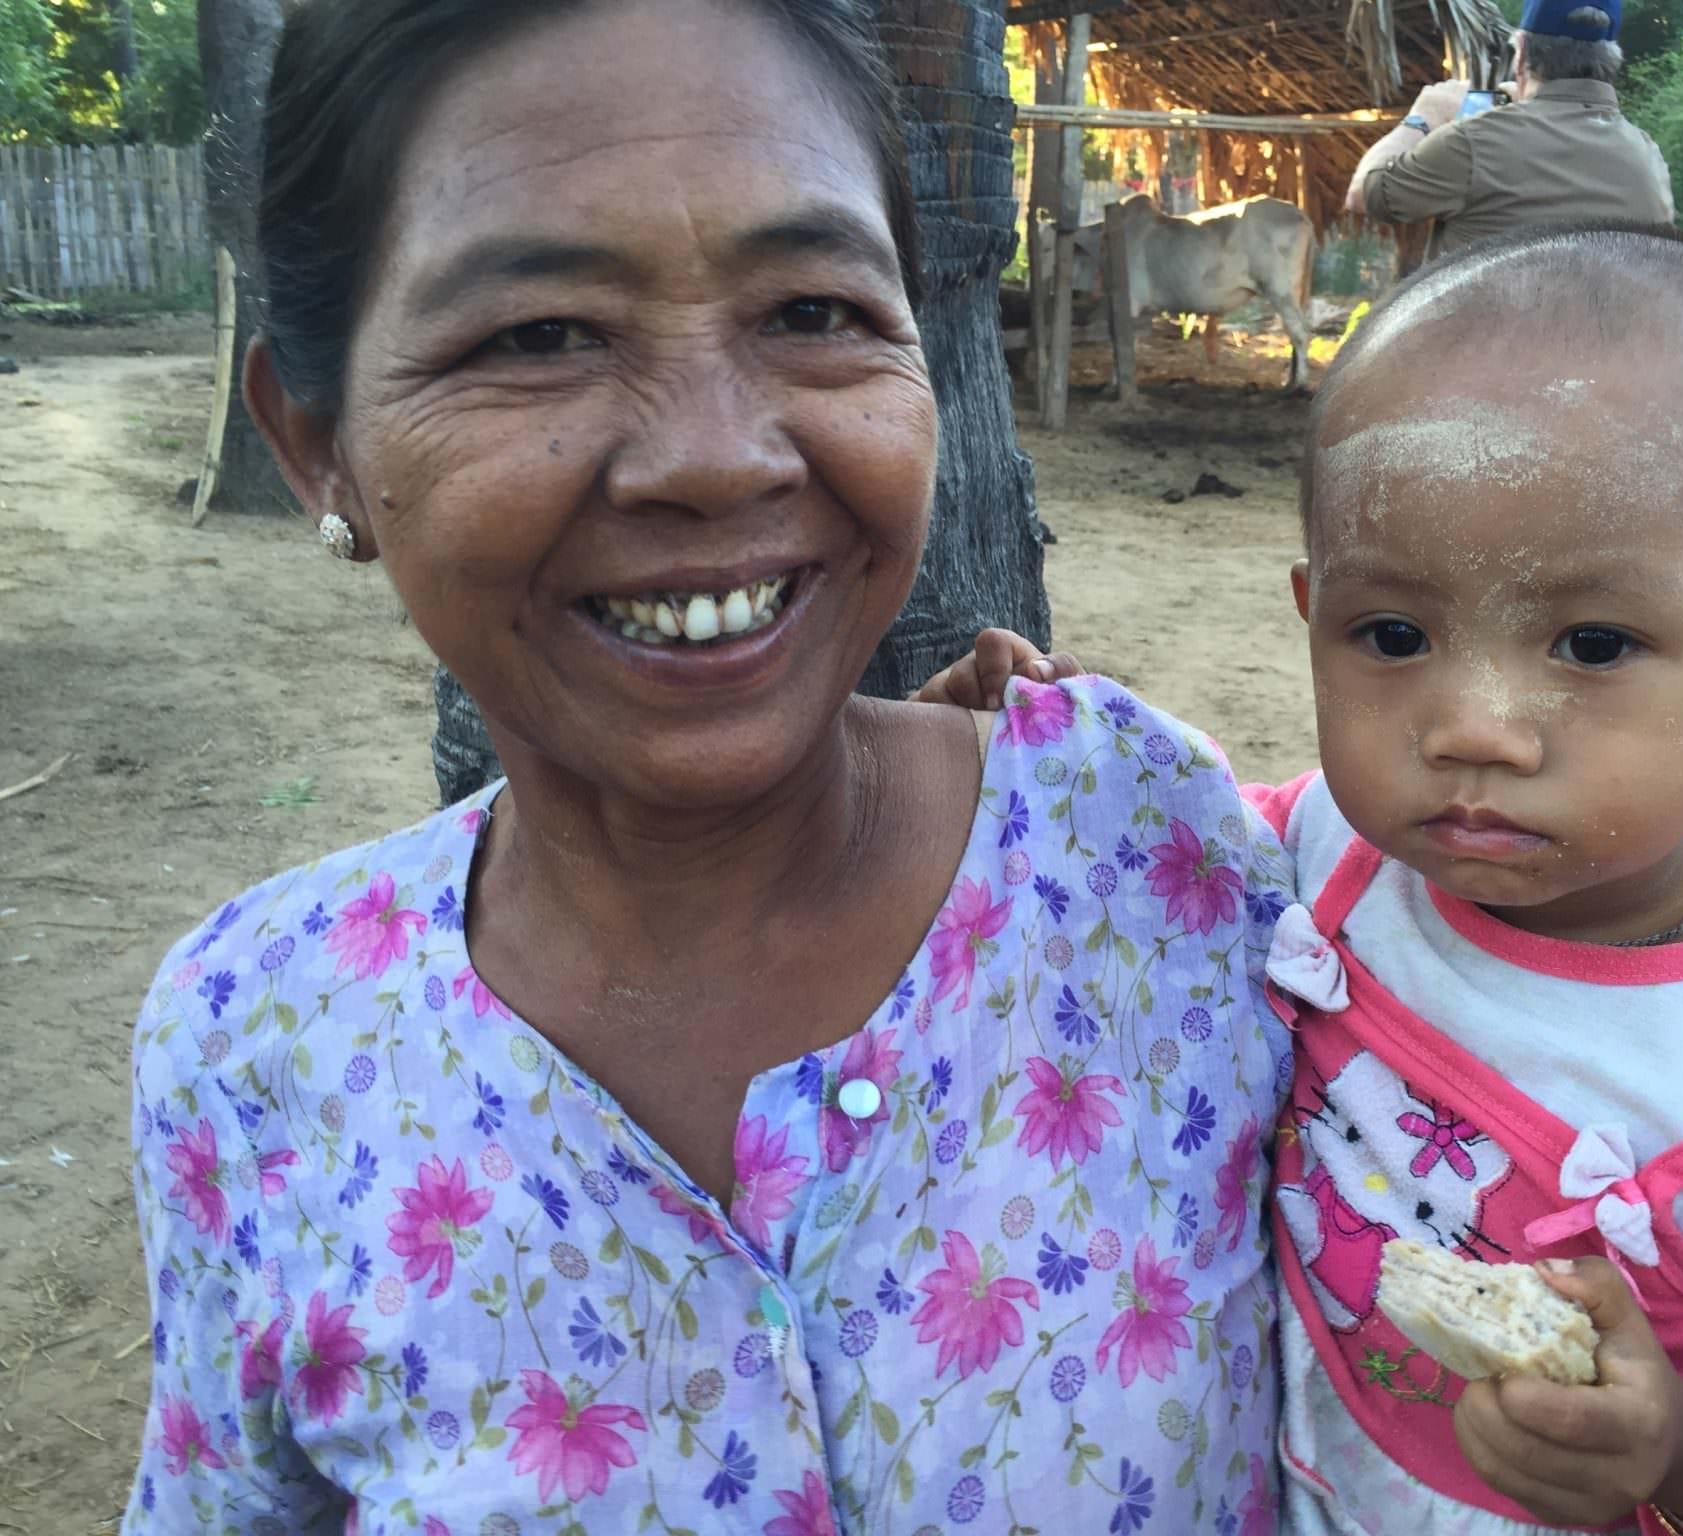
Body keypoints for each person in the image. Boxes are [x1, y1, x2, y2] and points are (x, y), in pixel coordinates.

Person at [120, 1, 1295, 1530]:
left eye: (812, 311)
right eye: (538, 337)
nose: (716, 456)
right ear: (316, 447)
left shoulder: (1154, 859)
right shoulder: (253, 1043)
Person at [920, 225, 1683, 1533]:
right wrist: (1043, 746)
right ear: (1312, 615)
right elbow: (1167, 840)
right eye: (1394, 635)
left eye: (1593, 642)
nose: (1473, 726)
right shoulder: (1329, 856)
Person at [1343, 0, 1674, 261]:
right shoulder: (1648, 159)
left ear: (1521, 55)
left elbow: (1362, 194)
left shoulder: (1473, 143)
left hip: (1487, 344)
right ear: (1612, 59)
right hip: (1608, 345)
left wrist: (1423, 115)